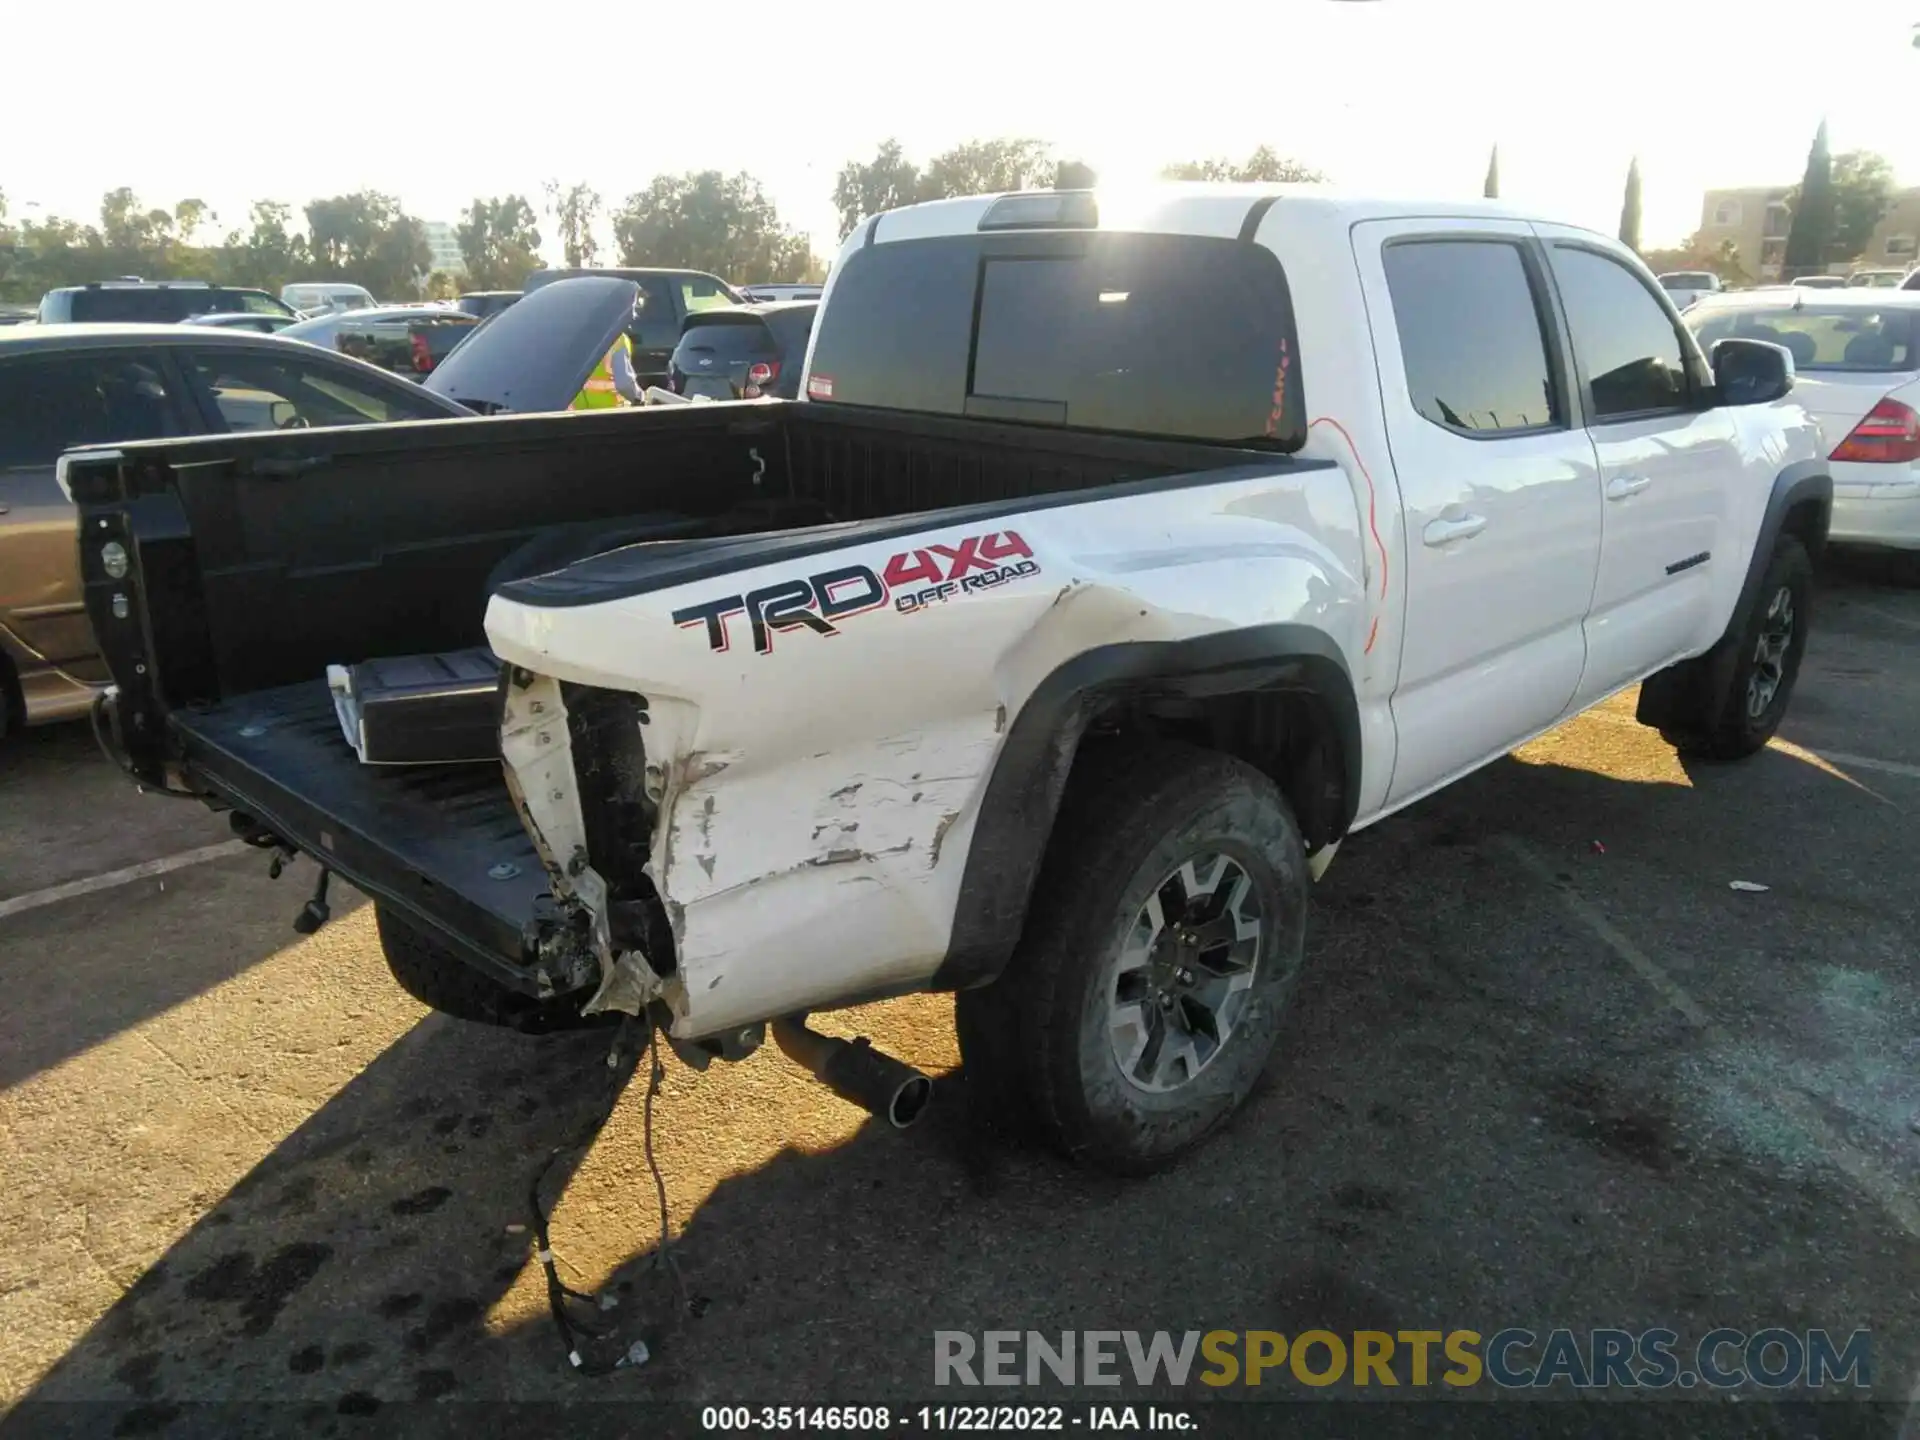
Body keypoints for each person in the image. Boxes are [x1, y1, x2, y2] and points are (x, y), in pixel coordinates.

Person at [571, 301, 645, 409]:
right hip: (609, 413)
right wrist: (639, 397)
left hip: (578, 413)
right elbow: (624, 384)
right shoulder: (617, 340)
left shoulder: (576, 339)